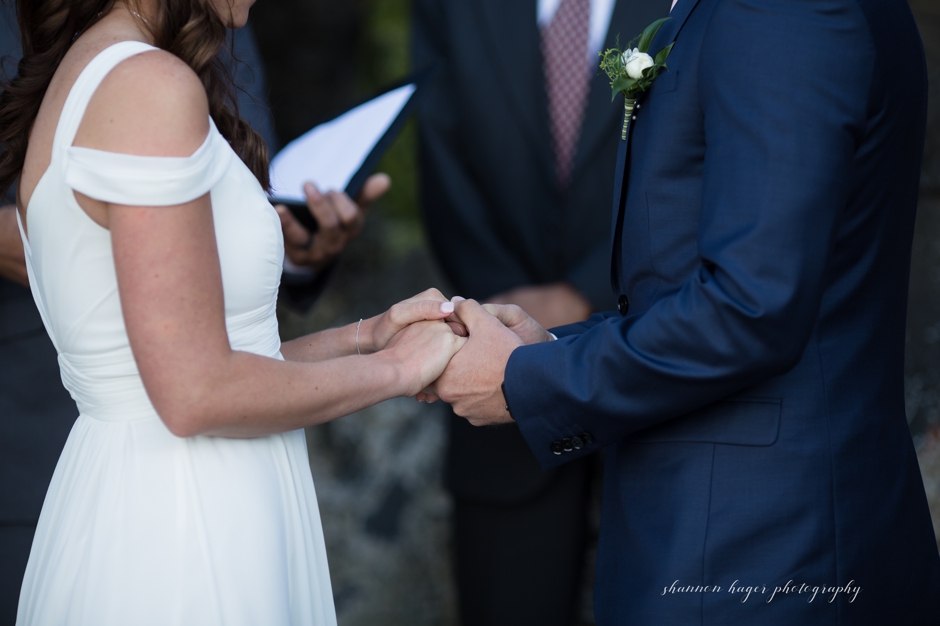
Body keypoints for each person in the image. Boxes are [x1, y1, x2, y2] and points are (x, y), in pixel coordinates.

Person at [429, 0, 940, 623]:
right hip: (744, 531)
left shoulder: (781, 12)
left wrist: (528, 382)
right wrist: (552, 348)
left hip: (760, 546)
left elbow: (751, 308)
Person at [0, 1, 465, 624]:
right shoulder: (147, 86)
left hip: (151, 491)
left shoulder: (96, 68)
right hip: (186, 523)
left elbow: (212, 360)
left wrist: (369, 338)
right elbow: (196, 393)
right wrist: (400, 372)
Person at [411, 1, 669, 623]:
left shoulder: (686, 8)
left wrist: (587, 291)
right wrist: (501, 304)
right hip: (497, 374)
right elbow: (442, 157)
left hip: (659, 375)